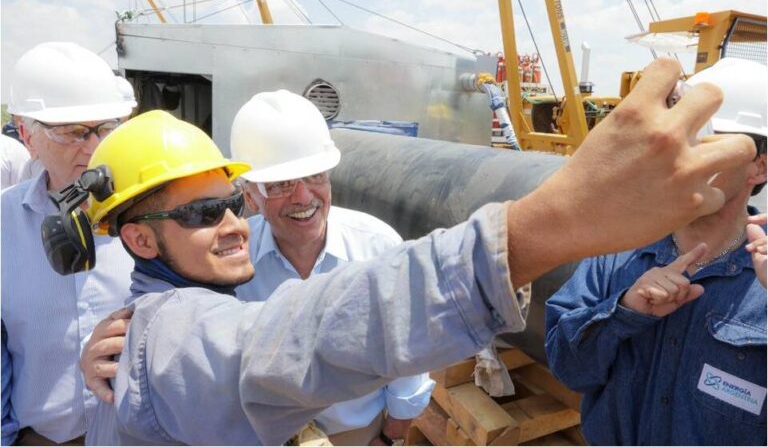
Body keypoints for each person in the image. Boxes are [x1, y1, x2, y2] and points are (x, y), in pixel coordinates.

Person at [72, 56, 753, 445]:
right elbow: (291, 338)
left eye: (223, 201)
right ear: (137, 239)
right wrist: (539, 228)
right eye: (201, 211)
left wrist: (396, 426)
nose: (226, 222)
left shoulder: (174, 304)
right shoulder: (164, 328)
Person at [544, 57, 768, 446]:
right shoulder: (618, 248)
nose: (680, 158)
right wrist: (624, 311)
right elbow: (569, 369)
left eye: (704, 144)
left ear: (759, 168)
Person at [231, 91, 433, 445]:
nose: (304, 197)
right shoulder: (232, 263)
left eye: (315, 176)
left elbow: (408, 355)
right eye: (280, 184)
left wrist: (390, 438)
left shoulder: (378, 249)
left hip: (355, 435)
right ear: (250, 197)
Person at [1, 42, 137, 446]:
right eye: (73, 132)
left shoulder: (155, 214)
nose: (94, 147)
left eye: (106, 128)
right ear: (28, 135)